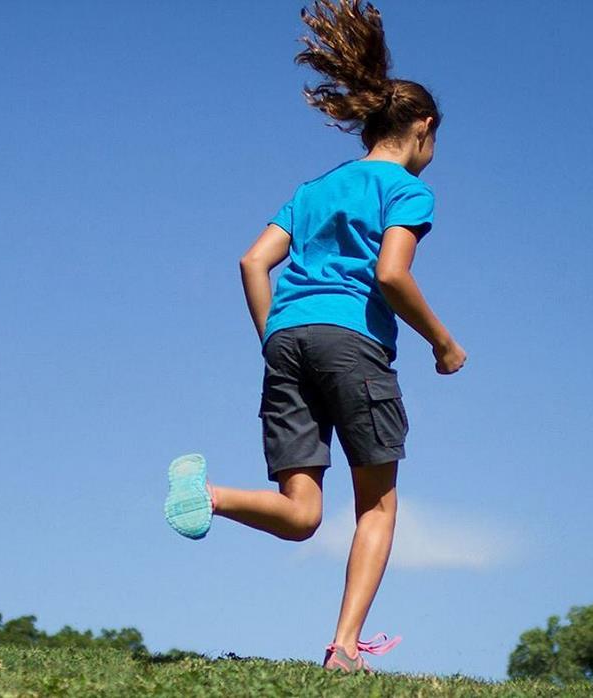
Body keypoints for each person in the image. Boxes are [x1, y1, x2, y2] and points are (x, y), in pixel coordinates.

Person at [164, 0, 467, 675]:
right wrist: (443, 343)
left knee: (302, 515)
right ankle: (344, 648)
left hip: (288, 339)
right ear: (421, 127)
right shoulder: (405, 191)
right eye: (434, 141)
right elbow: (391, 275)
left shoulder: (314, 189)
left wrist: (275, 335)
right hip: (353, 344)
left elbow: (251, 261)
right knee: (378, 506)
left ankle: (208, 496)